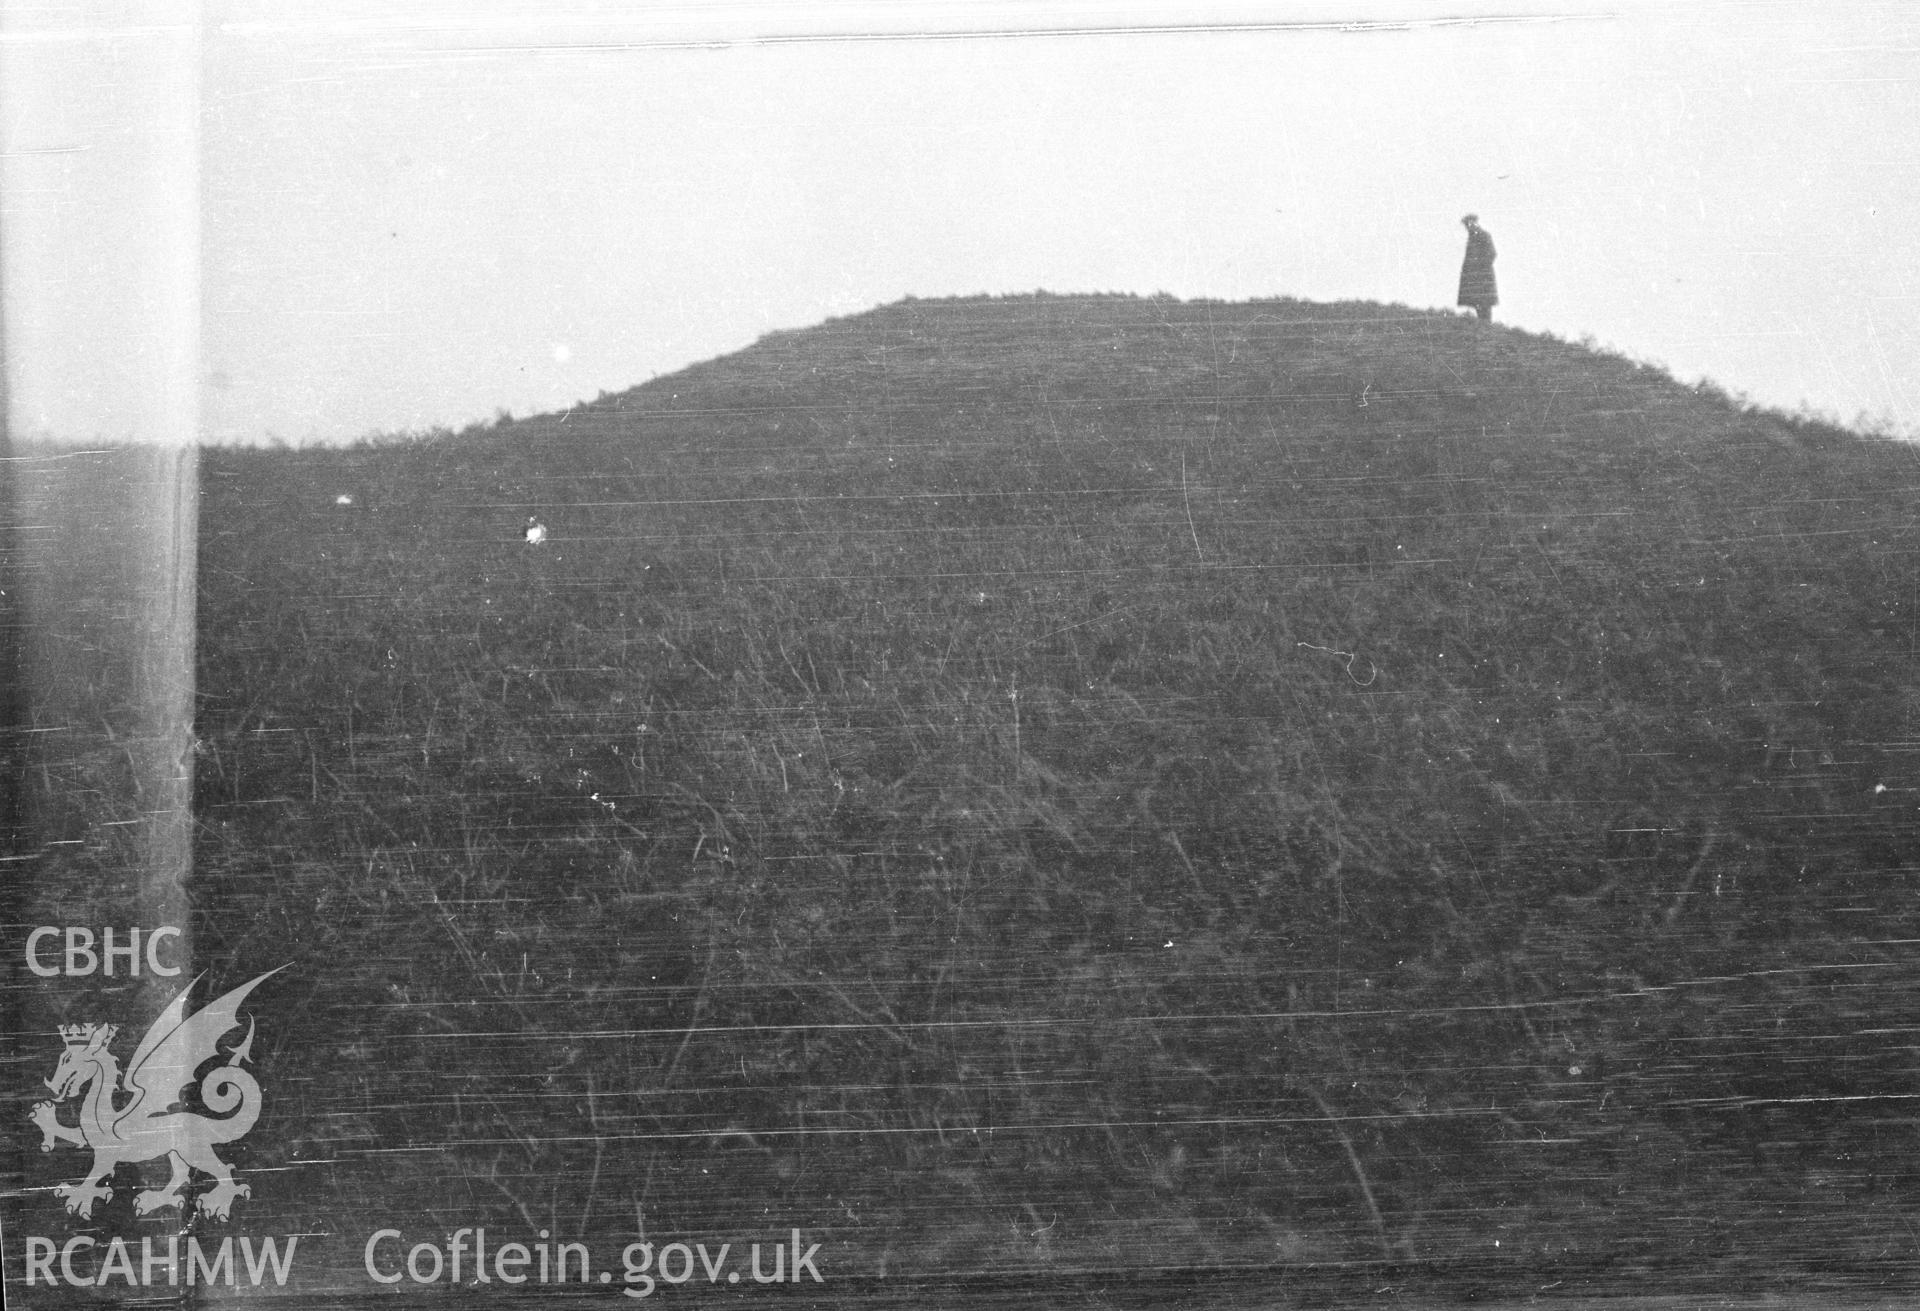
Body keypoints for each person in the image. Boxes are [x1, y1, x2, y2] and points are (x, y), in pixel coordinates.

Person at [1457, 214, 1497, 322]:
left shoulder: (1484, 235)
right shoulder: (1472, 237)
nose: (1467, 227)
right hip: (1475, 278)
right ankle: (1483, 325)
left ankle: (1486, 326)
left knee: (1484, 304)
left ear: (1474, 223)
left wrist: (1479, 268)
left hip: (1483, 278)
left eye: (1468, 224)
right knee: (1477, 302)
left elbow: (1492, 254)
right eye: (1466, 225)